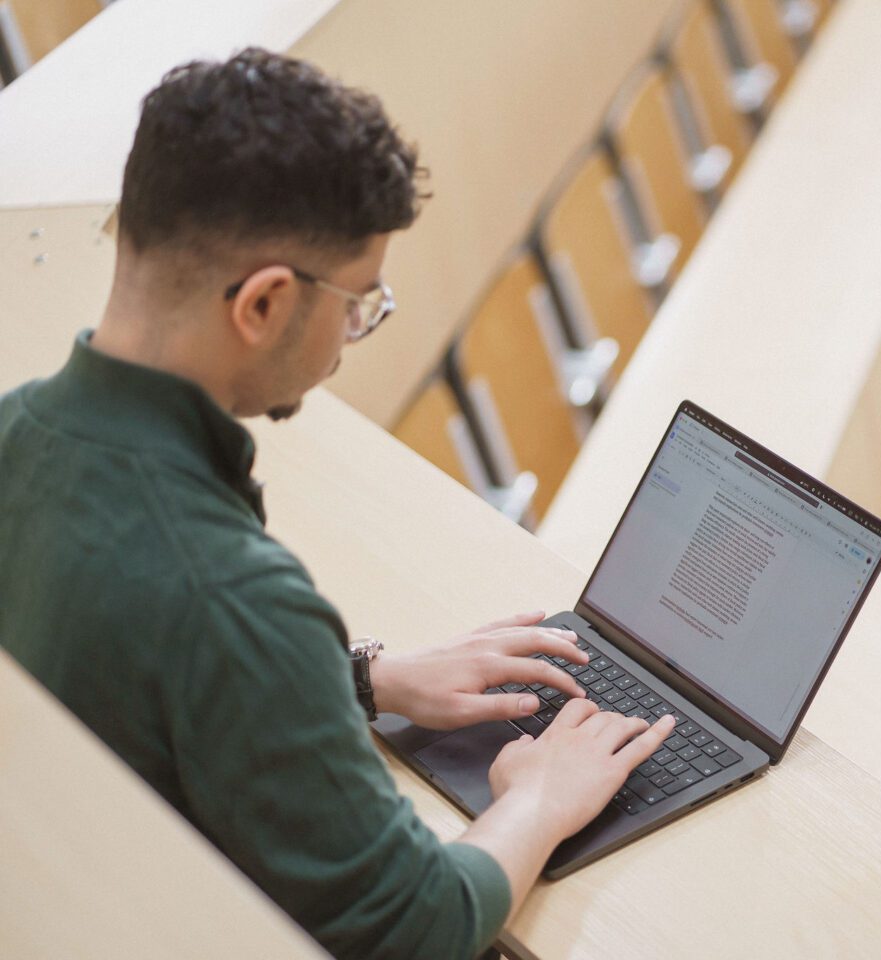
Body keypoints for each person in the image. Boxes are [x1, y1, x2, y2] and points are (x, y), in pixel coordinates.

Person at [0, 47, 674, 959]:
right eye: (359, 304)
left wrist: (354, 680)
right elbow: (415, 926)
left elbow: (145, 687)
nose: (356, 332)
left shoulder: (15, 433)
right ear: (266, 304)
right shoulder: (232, 598)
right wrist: (539, 802)